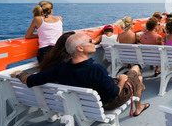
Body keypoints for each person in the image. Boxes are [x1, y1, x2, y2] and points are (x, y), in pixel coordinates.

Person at [11, 33, 150, 116]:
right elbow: (114, 94)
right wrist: (122, 80)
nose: (93, 42)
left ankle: (139, 92)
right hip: (106, 103)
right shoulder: (96, 69)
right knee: (136, 72)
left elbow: (31, 80)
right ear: (80, 48)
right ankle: (139, 106)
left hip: (82, 104)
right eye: (90, 41)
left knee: (135, 78)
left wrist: (19, 74)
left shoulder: (60, 69)